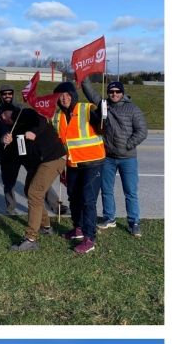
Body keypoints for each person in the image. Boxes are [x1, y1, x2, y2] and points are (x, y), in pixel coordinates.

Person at [86, 80, 148, 236]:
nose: (114, 94)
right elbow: (92, 95)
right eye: (111, 92)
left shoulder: (132, 109)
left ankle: (134, 222)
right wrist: (83, 78)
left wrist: (127, 145)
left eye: (117, 92)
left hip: (128, 158)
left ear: (122, 93)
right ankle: (109, 218)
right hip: (108, 158)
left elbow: (142, 131)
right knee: (106, 190)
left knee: (130, 192)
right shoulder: (104, 106)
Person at [1, 108, 68, 251]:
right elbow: (23, 153)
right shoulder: (15, 130)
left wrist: (34, 133)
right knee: (29, 191)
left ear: (10, 113)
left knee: (34, 193)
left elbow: (42, 121)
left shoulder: (25, 114)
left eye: (3, 113)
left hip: (53, 157)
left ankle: (31, 239)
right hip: (37, 163)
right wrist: (9, 142)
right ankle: (46, 226)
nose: (2, 116)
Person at [0, 84, 65, 216]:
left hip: (25, 151)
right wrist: (1, 140)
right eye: (4, 94)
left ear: (13, 94)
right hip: (7, 154)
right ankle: (10, 208)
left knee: (38, 178)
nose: (7, 96)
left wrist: (32, 133)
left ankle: (56, 206)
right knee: (8, 183)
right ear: (0, 95)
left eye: (10, 93)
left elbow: (37, 122)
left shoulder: (21, 108)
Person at [53, 80, 106, 254]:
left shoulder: (86, 108)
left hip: (92, 162)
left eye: (67, 95)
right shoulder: (58, 116)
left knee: (88, 200)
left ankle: (89, 238)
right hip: (72, 163)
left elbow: (101, 123)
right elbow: (59, 142)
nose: (64, 98)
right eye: (61, 96)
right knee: (73, 197)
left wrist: (101, 114)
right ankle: (78, 228)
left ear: (73, 96)